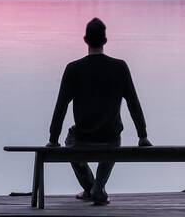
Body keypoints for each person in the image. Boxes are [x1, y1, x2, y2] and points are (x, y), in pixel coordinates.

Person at [47, 17, 151, 205]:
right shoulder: (119, 67)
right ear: (105, 41)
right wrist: (142, 136)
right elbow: (133, 103)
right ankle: (98, 188)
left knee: (69, 142)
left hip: (82, 139)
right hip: (110, 138)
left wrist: (53, 139)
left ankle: (92, 188)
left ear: (85, 40)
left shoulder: (73, 69)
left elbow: (61, 106)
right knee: (113, 139)